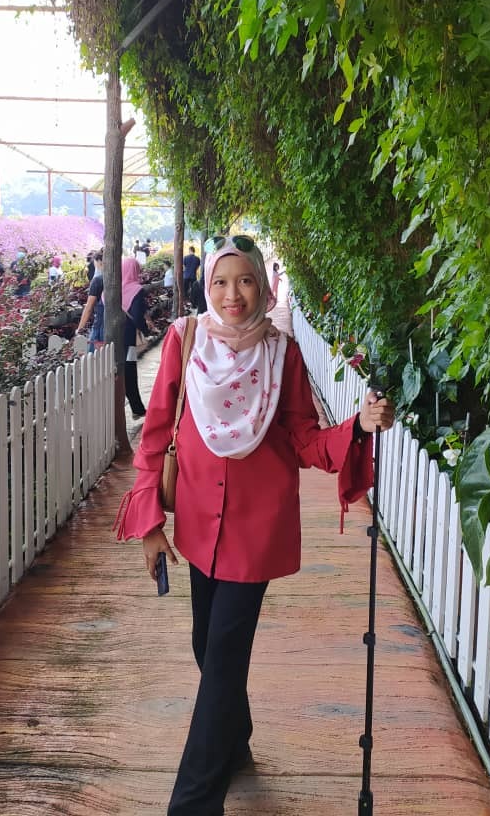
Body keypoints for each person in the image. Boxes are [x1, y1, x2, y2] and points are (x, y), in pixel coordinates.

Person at [114, 234, 394, 816]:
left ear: (263, 286)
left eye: (245, 281)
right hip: (198, 521)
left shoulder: (281, 354)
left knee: (223, 656)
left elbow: (304, 439)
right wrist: (149, 522)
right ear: (206, 286)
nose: (232, 294)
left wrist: (358, 427)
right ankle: (234, 737)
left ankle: (194, 802)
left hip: (256, 527)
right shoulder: (184, 340)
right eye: (220, 282)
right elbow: (156, 432)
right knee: (206, 644)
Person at [122, 256, 148, 419]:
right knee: (130, 371)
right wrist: (145, 329)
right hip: (129, 337)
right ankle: (137, 408)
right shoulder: (137, 290)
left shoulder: (110, 289)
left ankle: (136, 408)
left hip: (109, 339)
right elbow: (138, 316)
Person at [76, 248, 104, 351]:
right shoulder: (119, 277)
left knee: (94, 355)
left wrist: (80, 329)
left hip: (100, 323)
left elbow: (89, 308)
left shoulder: (97, 281)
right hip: (117, 324)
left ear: (100, 262)